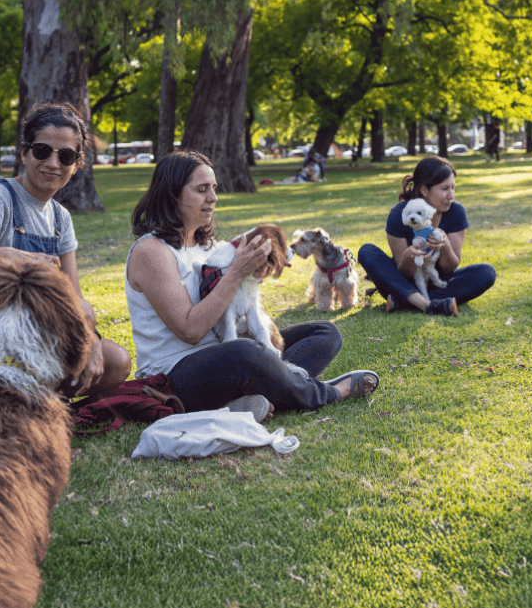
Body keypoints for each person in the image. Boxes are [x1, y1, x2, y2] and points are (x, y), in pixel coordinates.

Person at [125, 150, 377, 413]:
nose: (213, 198)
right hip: (175, 372)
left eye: (214, 188)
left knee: (325, 333)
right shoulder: (151, 251)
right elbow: (190, 330)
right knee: (245, 354)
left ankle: (252, 398)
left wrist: (255, 273)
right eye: (202, 190)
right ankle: (325, 392)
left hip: (227, 354)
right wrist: (235, 273)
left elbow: (241, 307)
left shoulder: (208, 246)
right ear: (172, 194)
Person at [0, 102, 132, 395]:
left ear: (77, 163)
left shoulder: (60, 218)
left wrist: (92, 339)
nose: (53, 163)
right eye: (42, 150)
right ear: (24, 152)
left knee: (116, 362)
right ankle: (27, 404)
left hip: (30, 338)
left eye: (67, 156)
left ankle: (40, 404)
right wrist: (6, 257)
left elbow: (74, 298)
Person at [357, 156, 497, 316]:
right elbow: (405, 273)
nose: (451, 195)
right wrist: (408, 257)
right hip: (402, 282)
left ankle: (404, 302)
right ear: (424, 190)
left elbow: (449, 268)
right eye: (444, 189)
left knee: (486, 273)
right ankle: (428, 304)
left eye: (453, 188)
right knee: (366, 251)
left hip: (439, 281)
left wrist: (445, 246)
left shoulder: (456, 213)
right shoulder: (399, 215)